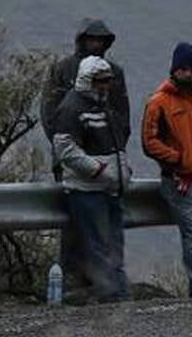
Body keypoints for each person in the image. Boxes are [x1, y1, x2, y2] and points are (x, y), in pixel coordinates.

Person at [40, 18, 130, 292]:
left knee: (108, 231)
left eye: (101, 40)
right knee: (76, 226)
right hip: (75, 164)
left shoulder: (114, 72)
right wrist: (76, 156)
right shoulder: (63, 70)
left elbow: (122, 117)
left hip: (109, 165)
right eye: (91, 39)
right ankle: (74, 281)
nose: (96, 44)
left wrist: (114, 157)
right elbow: (51, 115)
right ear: (81, 40)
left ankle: (105, 285)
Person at [141, 42, 192, 298]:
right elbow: (149, 141)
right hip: (179, 181)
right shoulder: (159, 102)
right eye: (184, 69)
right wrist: (177, 159)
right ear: (175, 70)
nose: (189, 74)